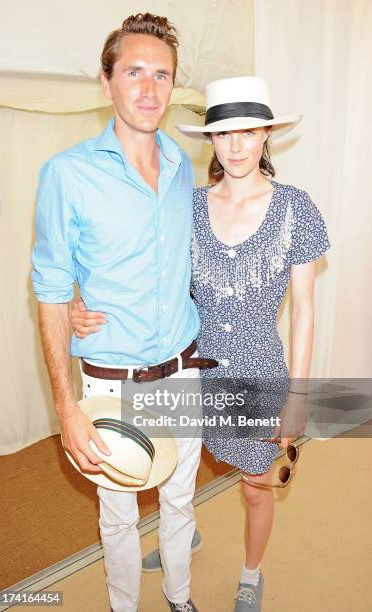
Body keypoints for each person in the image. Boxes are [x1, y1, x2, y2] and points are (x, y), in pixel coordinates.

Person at [72, 75, 330, 611]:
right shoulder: (181, 205)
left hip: (257, 372)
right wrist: (78, 302)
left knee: (256, 483)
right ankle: (181, 538)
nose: (235, 145)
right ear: (210, 140)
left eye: (247, 131)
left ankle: (250, 573)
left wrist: (298, 397)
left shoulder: (296, 209)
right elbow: (137, 272)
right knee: (170, 473)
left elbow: (304, 309)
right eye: (223, 133)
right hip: (183, 367)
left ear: (265, 135)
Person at [31, 13, 218, 612]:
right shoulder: (67, 174)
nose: (147, 88)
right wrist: (65, 405)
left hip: (183, 369)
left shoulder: (183, 167)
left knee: (182, 499)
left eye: (161, 75)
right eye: (133, 71)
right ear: (105, 81)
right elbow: (51, 288)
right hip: (111, 383)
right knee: (117, 518)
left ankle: (180, 598)